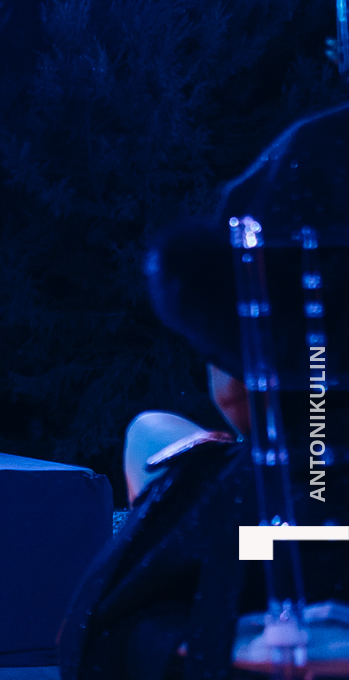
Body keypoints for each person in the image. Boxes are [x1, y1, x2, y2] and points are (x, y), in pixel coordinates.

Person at [58, 103, 348, 679]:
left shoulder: (300, 167)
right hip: (298, 491)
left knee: (158, 448)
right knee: (154, 435)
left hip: (293, 508)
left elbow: (108, 632)